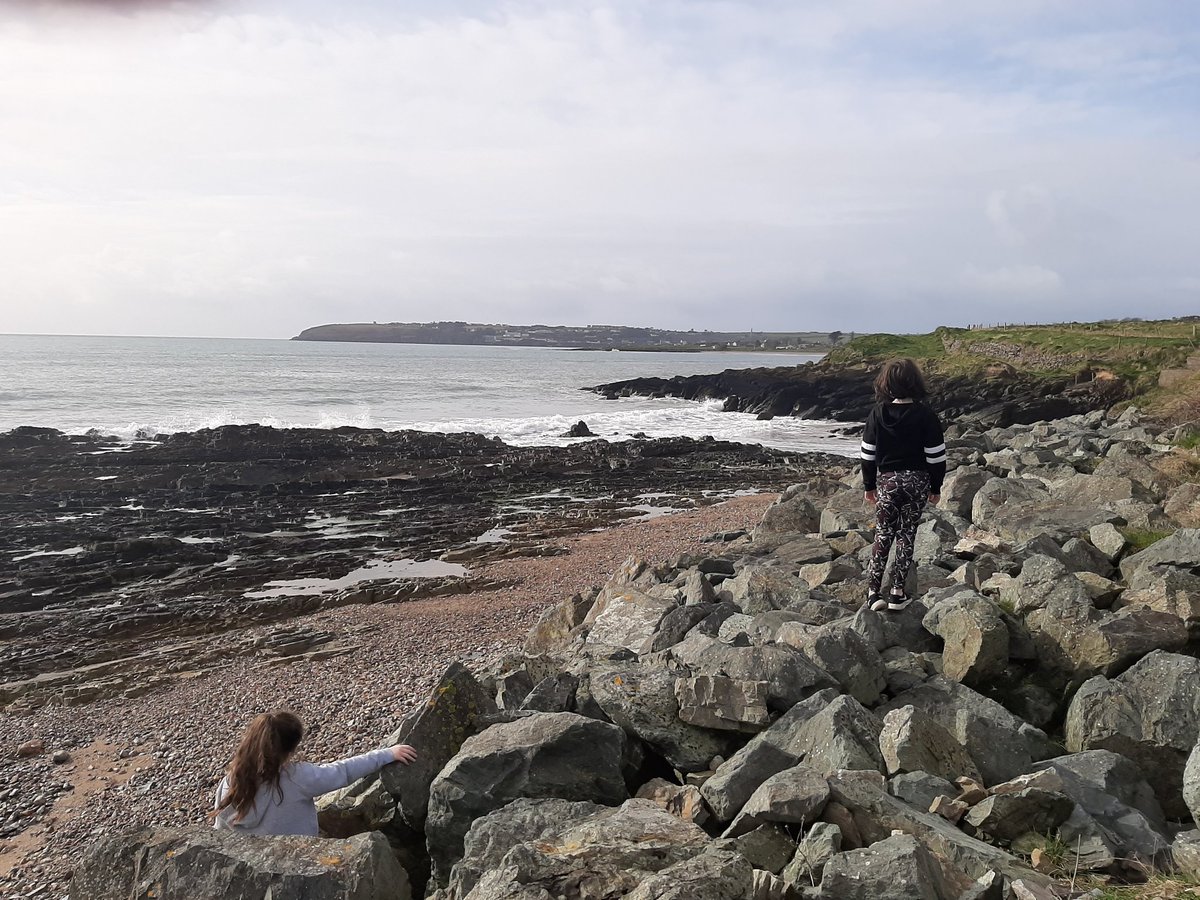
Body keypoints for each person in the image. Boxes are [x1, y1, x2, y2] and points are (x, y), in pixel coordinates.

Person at [214, 710, 417, 836]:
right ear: (291, 750)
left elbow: (219, 832)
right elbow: (344, 771)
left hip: (250, 869)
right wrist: (388, 753)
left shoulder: (230, 781)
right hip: (298, 865)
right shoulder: (298, 777)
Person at [859, 358, 946, 612]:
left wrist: (868, 485)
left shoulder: (878, 413)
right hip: (917, 482)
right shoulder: (926, 415)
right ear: (915, 382)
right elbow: (936, 456)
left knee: (884, 533)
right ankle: (897, 592)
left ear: (886, 384)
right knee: (907, 534)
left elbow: (867, 454)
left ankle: (874, 593)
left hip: (888, 481)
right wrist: (936, 487)